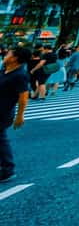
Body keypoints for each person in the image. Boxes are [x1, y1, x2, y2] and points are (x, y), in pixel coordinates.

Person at [0, 47, 31, 183]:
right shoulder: (4, 69)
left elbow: (23, 97)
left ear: (15, 58)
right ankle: (7, 169)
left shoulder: (20, 75)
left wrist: (20, 116)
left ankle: (8, 170)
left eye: (9, 53)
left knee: (1, 140)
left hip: (3, 112)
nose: (6, 54)